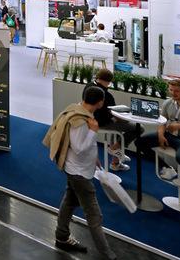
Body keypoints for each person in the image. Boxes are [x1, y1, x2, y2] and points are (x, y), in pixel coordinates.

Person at [44, 86, 116, 259]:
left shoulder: (77, 110)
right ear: (100, 103)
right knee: (94, 215)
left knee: (69, 202)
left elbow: (81, 146)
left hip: (76, 169)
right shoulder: (82, 122)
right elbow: (79, 148)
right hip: (79, 173)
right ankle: (107, 254)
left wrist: (94, 157)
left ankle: (61, 237)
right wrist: (93, 131)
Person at [136, 79, 180, 188]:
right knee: (140, 142)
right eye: (171, 90)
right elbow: (162, 122)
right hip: (170, 136)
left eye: (177, 91)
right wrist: (161, 135)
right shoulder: (168, 103)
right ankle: (166, 168)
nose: (173, 93)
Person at [85, 69, 138, 171]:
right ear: (108, 81)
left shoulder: (89, 86)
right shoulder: (105, 94)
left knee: (117, 128)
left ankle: (115, 161)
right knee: (138, 128)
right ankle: (114, 149)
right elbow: (111, 112)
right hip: (101, 122)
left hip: (91, 119)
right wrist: (125, 119)